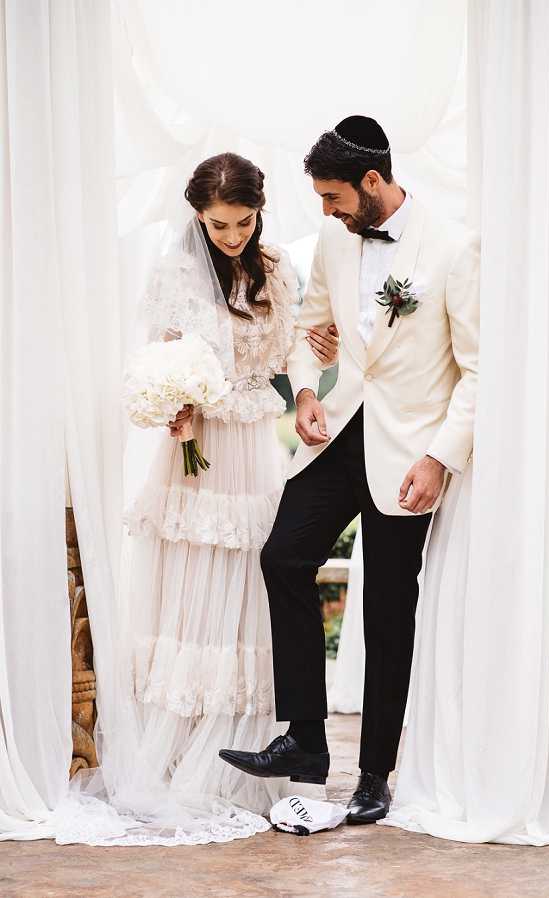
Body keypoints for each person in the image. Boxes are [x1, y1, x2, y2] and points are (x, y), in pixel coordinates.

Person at [220, 116, 480, 825]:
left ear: (372, 182)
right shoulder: (336, 238)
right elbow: (311, 327)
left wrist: (439, 457)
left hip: (412, 453)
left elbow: (478, 372)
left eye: (333, 197)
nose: (327, 213)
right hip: (341, 431)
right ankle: (305, 742)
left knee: (389, 612)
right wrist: (306, 390)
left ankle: (374, 776)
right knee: (283, 556)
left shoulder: (454, 247)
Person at [122, 152, 339, 831]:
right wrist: (175, 410)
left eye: (243, 222)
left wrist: (314, 366)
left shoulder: (276, 269)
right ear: (197, 217)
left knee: (251, 586)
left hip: (252, 450)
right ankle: (182, 752)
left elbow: (291, 355)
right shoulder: (174, 272)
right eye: (219, 225)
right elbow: (155, 361)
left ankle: (245, 759)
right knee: (193, 591)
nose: (233, 235)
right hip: (198, 452)